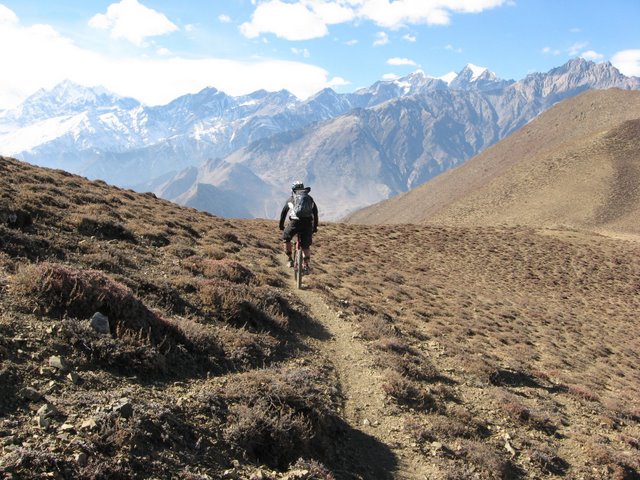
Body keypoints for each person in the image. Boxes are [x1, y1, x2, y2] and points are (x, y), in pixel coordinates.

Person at [279, 181, 318, 273]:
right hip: (307, 224)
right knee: (306, 246)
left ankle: (290, 259)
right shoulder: (309, 199)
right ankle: (306, 266)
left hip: (294, 223)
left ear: (293, 190)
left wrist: (281, 225)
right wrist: (314, 227)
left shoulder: (291, 199)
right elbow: (315, 214)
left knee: (286, 238)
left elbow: (283, 213)